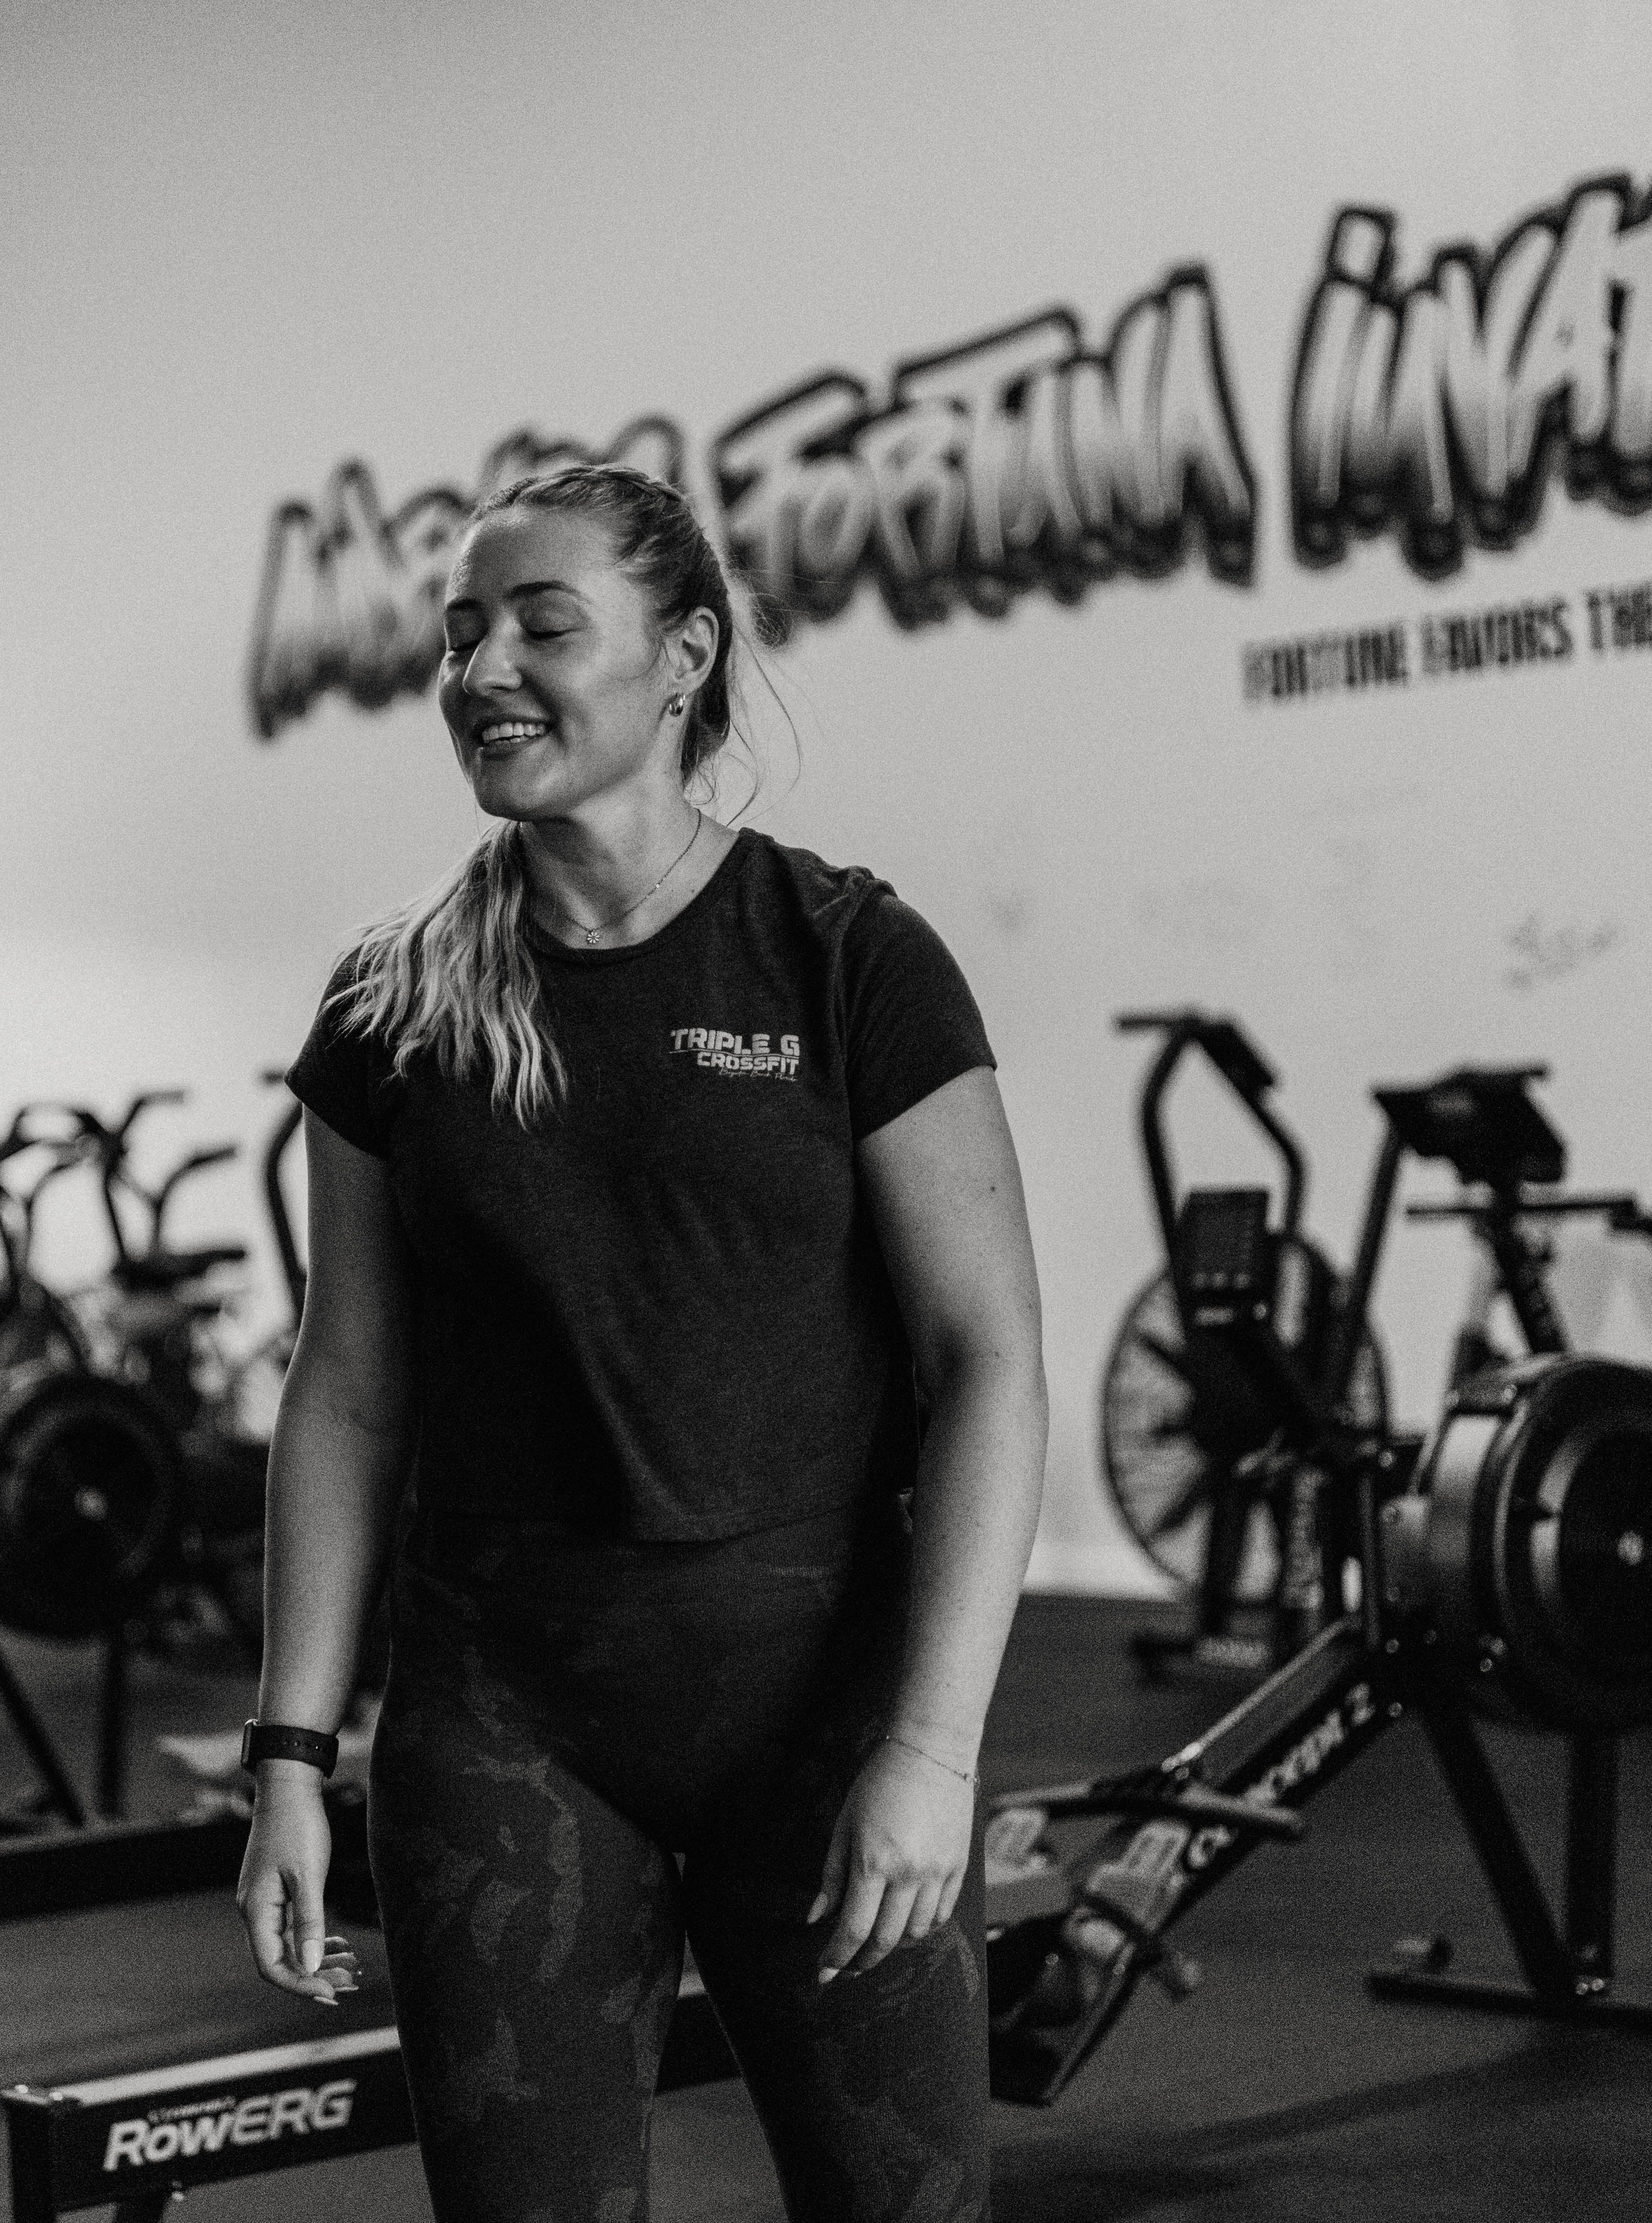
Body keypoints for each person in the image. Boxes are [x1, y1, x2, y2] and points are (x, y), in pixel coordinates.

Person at [234, 464, 1049, 2223]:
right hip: (506, 1720)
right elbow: (348, 1394)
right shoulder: (394, 1003)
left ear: (684, 658)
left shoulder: (846, 958)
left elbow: (988, 1361)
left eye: (544, 627)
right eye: (462, 635)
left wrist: (933, 1753)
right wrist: (289, 1756)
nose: (483, 673)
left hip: (821, 1709)